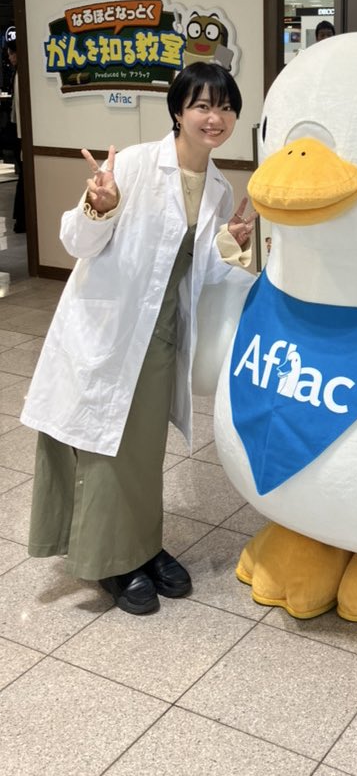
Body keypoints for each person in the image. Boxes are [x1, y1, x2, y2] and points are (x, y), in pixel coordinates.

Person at [21, 62, 256, 616]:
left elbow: (199, 272)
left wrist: (228, 242)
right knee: (105, 446)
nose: (215, 118)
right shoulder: (131, 164)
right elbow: (77, 242)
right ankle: (112, 560)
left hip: (162, 336)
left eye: (225, 107)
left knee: (143, 451)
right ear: (178, 111)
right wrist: (97, 208)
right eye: (202, 106)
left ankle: (143, 547)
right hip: (109, 329)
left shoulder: (219, 187)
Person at [6, 41, 24, 233]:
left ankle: (21, 219)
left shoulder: (21, 74)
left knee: (24, 176)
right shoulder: (18, 73)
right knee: (24, 176)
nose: (10, 58)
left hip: (19, 132)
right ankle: (20, 219)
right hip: (18, 132)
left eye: (11, 53)